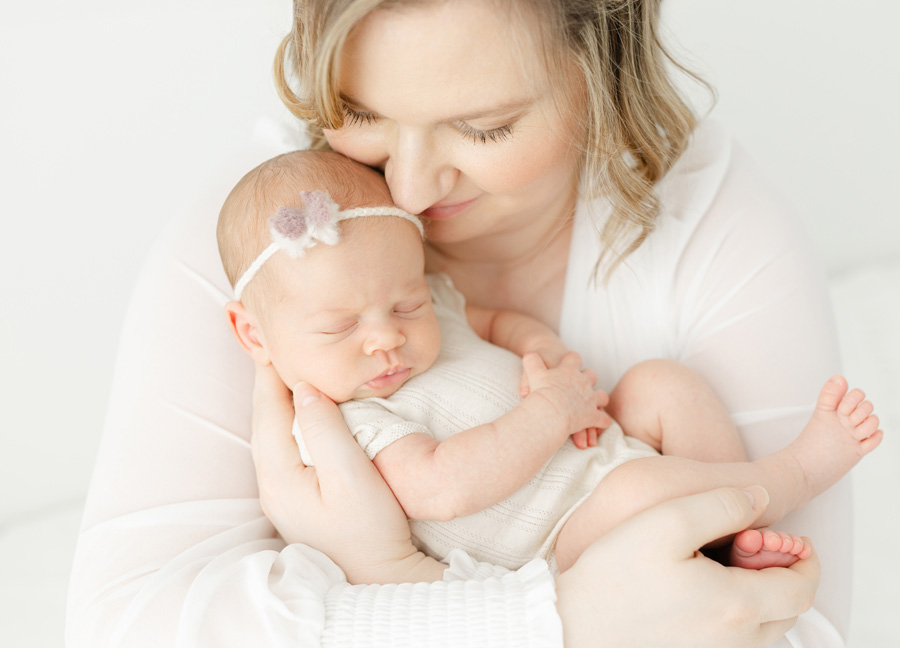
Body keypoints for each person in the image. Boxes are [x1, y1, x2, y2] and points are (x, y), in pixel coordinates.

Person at [64, 1, 845, 646]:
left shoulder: (717, 231)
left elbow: (809, 629)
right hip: (568, 503)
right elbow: (118, 626)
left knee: (666, 399)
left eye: (483, 127)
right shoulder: (271, 246)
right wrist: (552, 620)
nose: (404, 186)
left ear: (599, 75)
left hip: (601, 463)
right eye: (359, 112)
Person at [219, 149, 880, 575]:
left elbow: (496, 321)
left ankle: (722, 539)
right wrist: (547, 411)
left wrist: (543, 353)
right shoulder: (343, 418)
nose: (385, 338)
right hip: (563, 538)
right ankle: (792, 475)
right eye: (338, 327)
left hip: (592, 441)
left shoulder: (425, 308)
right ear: (254, 334)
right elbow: (441, 487)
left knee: (662, 385)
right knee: (635, 492)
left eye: (408, 303)